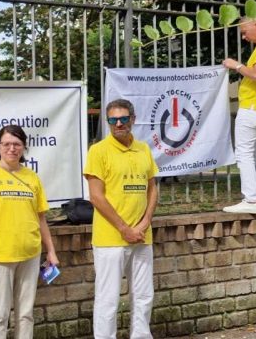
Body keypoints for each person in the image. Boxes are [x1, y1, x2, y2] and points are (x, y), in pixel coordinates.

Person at [0, 125, 58, 339]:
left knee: (25, 314)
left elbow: (41, 218)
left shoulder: (32, 177)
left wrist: (51, 252)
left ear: (24, 147)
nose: (12, 148)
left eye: (17, 144)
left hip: (30, 254)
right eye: (6, 144)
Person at [84, 99, 158, 339]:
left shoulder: (144, 149)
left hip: (141, 236)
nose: (118, 124)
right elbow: (96, 196)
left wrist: (145, 222)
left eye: (123, 119)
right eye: (113, 120)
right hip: (110, 239)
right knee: (108, 299)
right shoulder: (98, 151)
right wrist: (124, 228)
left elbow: (152, 188)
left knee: (144, 295)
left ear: (132, 120)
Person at [222, 13, 256, 214]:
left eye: (244, 32)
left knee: (244, 153)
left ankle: (251, 200)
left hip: (253, 107)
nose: (243, 37)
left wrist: (236, 65)